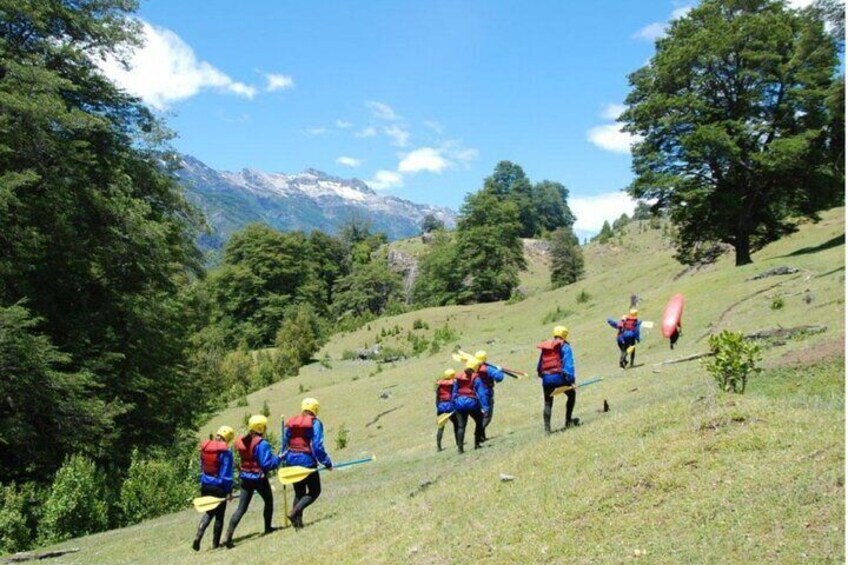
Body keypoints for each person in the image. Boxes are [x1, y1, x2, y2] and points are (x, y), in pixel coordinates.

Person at [222, 415, 281, 548]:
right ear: (260, 428)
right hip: (258, 479)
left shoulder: (243, 441)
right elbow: (266, 464)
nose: (265, 428)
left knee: (241, 509)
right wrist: (279, 459)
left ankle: (228, 536)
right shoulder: (262, 443)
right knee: (269, 501)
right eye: (264, 426)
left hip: (245, 478)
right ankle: (268, 528)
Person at [283, 398, 333, 529]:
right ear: (315, 409)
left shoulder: (292, 422)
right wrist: (327, 462)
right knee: (315, 491)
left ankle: (298, 525)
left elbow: (285, 441)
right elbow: (317, 446)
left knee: (299, 493)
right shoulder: (315, 423)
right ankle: (294, 513)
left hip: (291, 460)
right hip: (306, 461)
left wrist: (284, 458)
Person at [193, 425, 235, 551]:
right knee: (219, 516)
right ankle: (215, 544)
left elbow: (202, 466)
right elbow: (226, 474)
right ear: (227, 439)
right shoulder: (225, 452)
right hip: (219, 487)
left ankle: (198, 535)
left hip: (205, 485)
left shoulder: (206, 448)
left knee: (209, 512)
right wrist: (229, 491)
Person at [536, 325, 579, 433]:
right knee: (571, 395)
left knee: (548, 403)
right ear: (565, 335)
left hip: (546, 378)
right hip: (560, 378)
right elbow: (568, 366)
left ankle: (547, 430)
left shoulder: (548, 346)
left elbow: (540, 365)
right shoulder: (566, 347)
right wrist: (571, 381)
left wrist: (543, 376)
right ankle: (568, 421)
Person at [451, 359, 490, 453]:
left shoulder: (458, 377)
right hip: (472, 403)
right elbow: (481, 393)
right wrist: (485, 407)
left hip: (459, 403)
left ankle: (460, 449)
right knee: (479, 421)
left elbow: (454, 392)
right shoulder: (476, 378)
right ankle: (477, 444)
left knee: (461, 426)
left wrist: (454, 403)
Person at [474, 350, 504, 441]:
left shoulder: (473, 367)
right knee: (487, 416)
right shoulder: (487, 368)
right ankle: (478, 435)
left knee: (482, 416)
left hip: (475, 394)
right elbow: (499, 377)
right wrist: (499, 370)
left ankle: (482, 437)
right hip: (485, 394)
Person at [435, 369, 458, 452]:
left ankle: (439, 447)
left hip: (441, 406)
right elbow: (454, 395)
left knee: (441, 427)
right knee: (457, 424)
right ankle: (458, 442)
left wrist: (438, 407)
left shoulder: (439, 385)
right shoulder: (454, 383)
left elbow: (437, 397)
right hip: (450, 406)